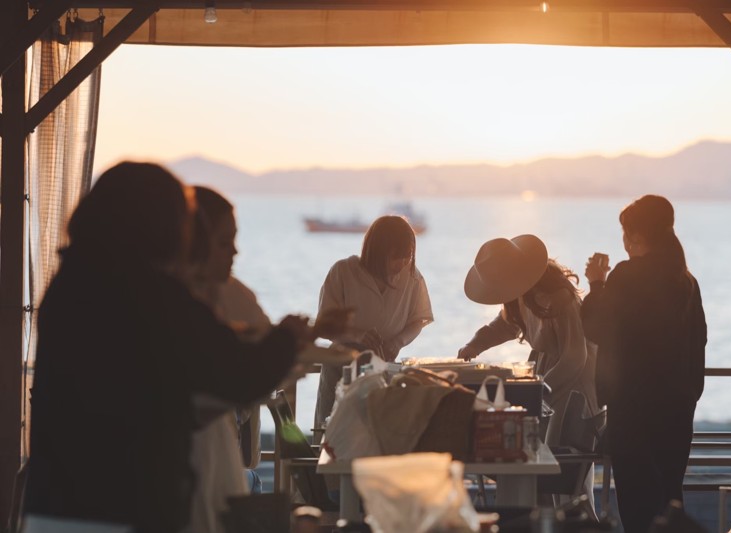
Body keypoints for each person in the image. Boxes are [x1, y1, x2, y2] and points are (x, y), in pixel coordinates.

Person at [24, 162, 347, 533]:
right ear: (158, 223)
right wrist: (286, 338)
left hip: (54, 503)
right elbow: (237, 371)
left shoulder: (68, 286)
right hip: (129, 505)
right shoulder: (149, 292)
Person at [581, 194, 706, 533]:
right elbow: (699, 343)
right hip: (678, 409)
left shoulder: (627, 275)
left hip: (633, 408)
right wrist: (690, 394)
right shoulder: (686, 281)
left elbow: (596, 328)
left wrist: (595, 283)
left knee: (638, 503)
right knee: (668, 501)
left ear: (636, 235)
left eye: (626, 231)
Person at [187, 186, 275, 533]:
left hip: (212, 452)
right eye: (225, 242)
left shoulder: (233, 294)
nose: (236, 250)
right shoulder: (167, 304)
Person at [457, 234, 598, 445]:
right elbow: (503, 325)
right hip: (548, 374)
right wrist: (474, 345)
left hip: (573, 382)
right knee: (535, 445)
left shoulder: (560, 298)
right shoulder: (520, 296)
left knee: (559, 452)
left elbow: (575, 357)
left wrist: (539, 391)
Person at [314, 215, 434, 433]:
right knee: (333, 437)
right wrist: (355, 336)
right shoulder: (343, 272)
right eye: (395, 257)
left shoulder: (413, 278)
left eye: (406, 257)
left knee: (378, 438)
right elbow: (324, 326)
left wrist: (399, 341)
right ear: (376, 252)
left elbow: (419, 320)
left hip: (384, 370)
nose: (402, 264)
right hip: (340, 371)